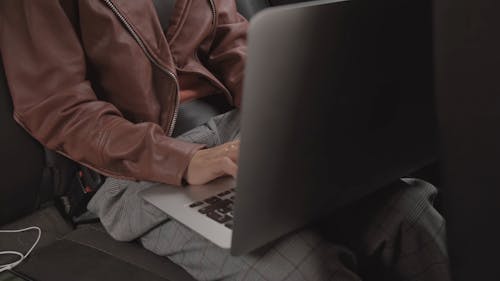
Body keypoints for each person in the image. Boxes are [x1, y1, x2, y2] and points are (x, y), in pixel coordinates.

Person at [0, 1, 451, 280]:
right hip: (136, 169)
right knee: (304, 269)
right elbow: (59, 109)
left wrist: (286, 116)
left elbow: (232, 40)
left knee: (406, 214)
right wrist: (185, 160)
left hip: (234, 132)